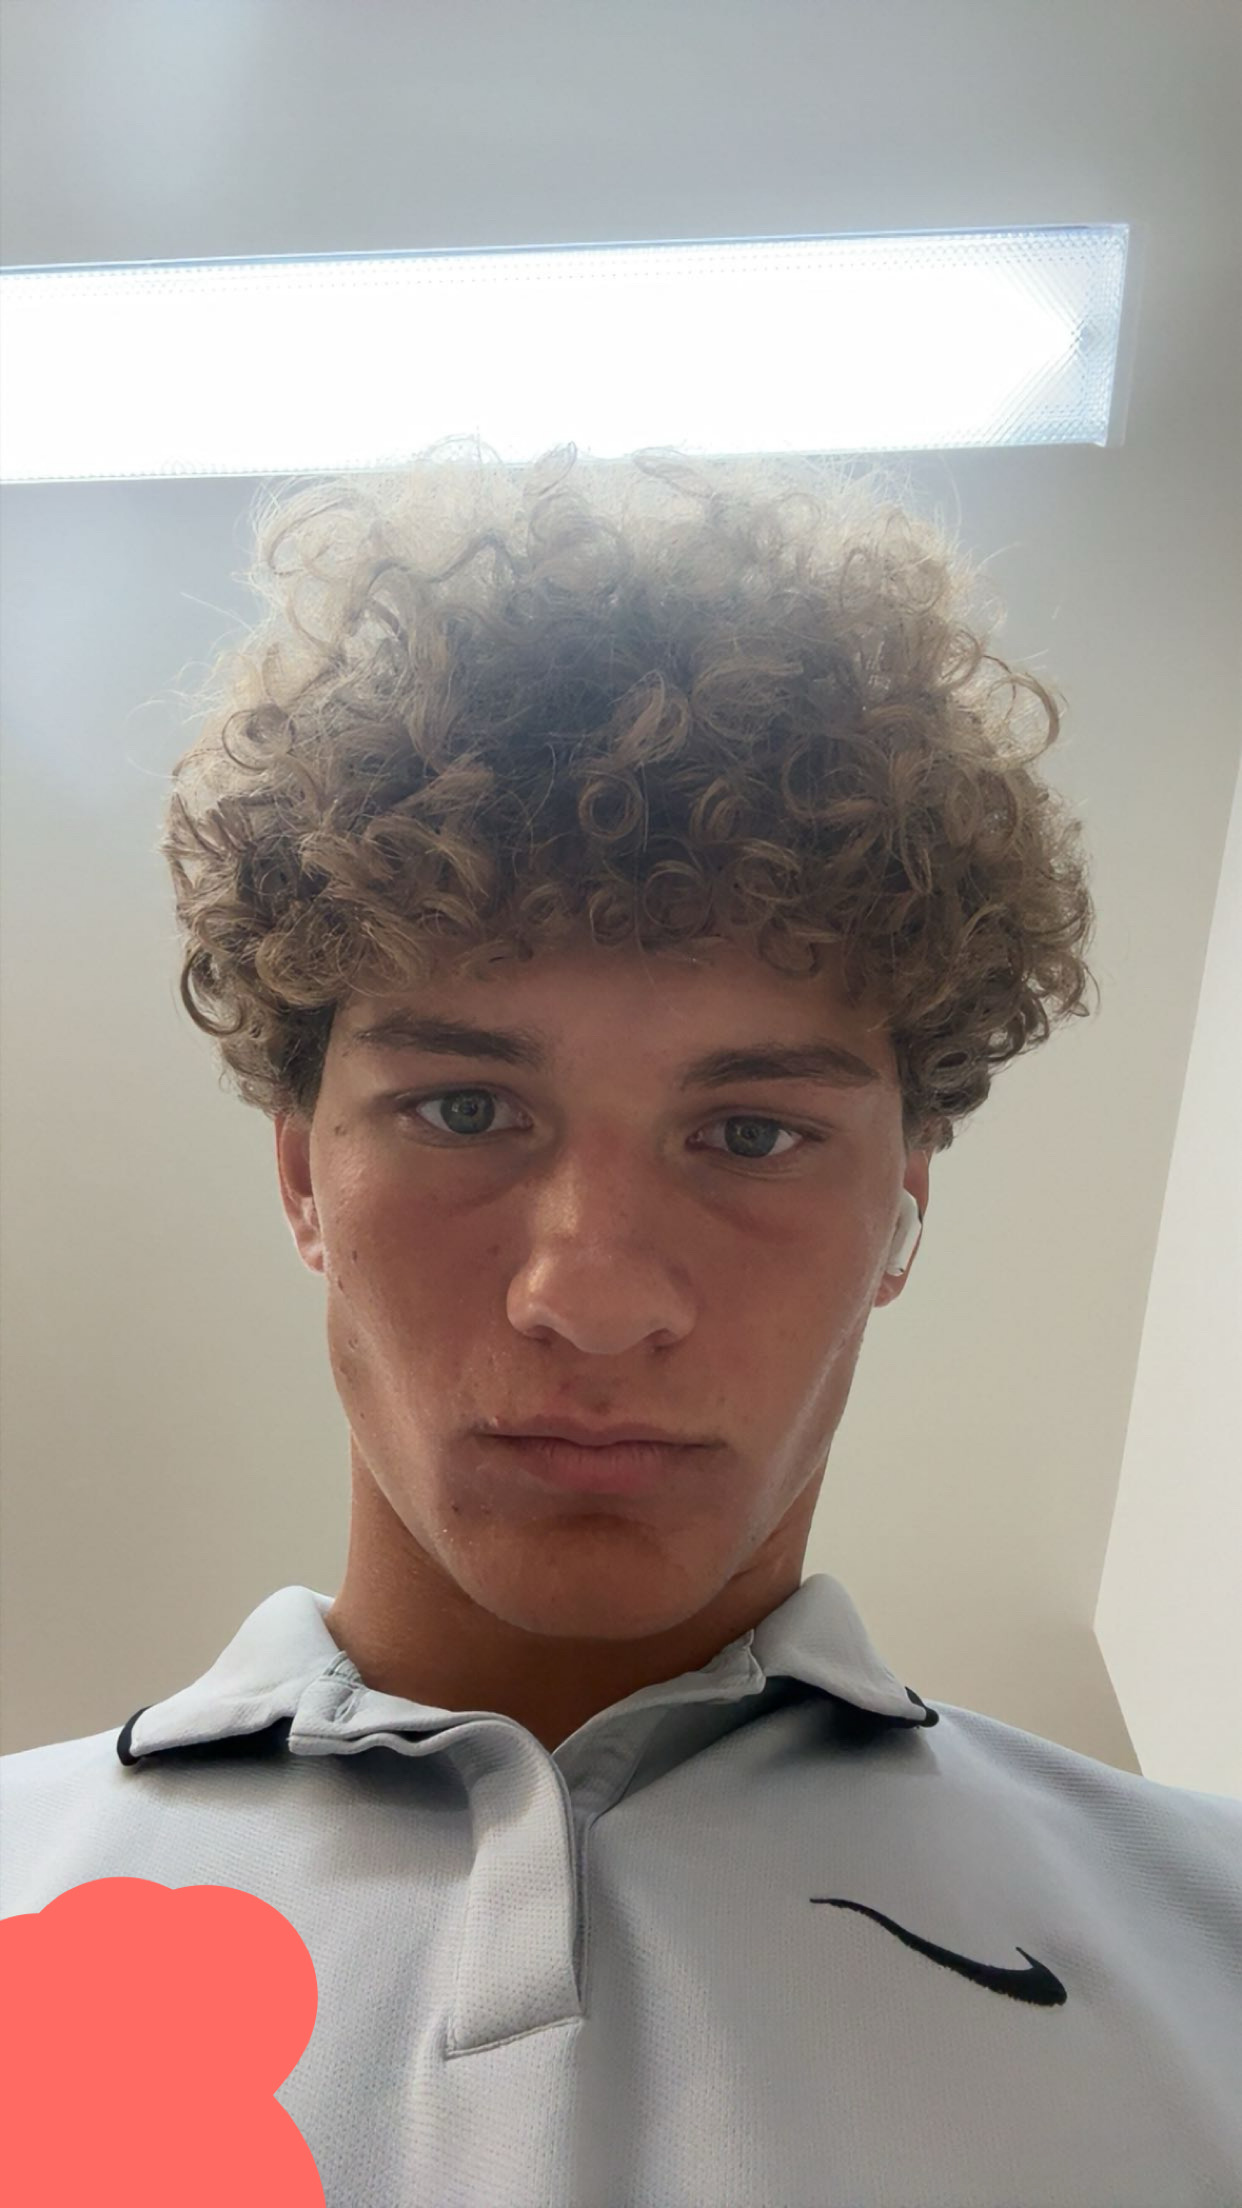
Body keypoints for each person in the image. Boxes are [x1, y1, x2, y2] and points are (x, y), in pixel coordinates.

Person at [3, 441, 1238, 2206]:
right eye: (462, 1112)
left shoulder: (1212, 1943)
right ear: (299, 1174)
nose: (588, 1299)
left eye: (752, 1135)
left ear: (902, 1204)